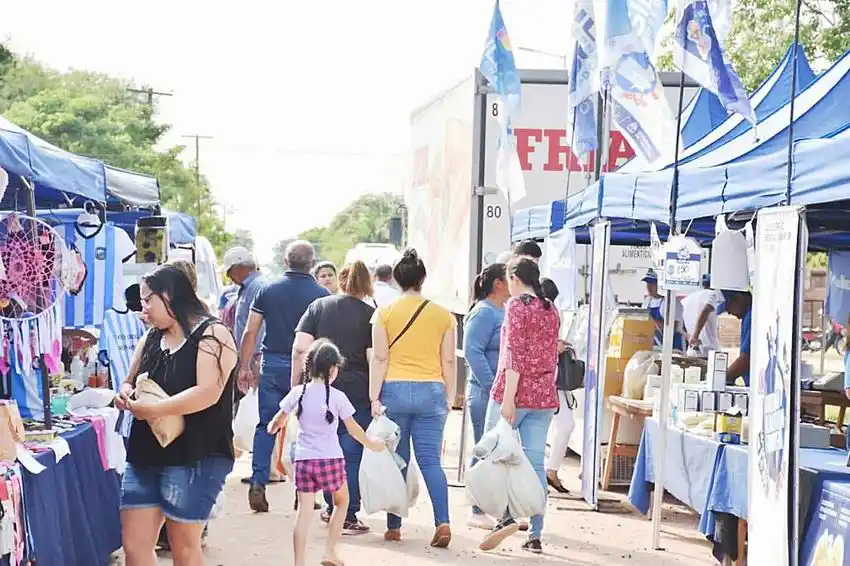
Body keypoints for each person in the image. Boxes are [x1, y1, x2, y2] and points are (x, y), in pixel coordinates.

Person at [115, 265, 236, 566]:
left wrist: (153, 409)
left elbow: (208, 392)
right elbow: (130, 379)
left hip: (197, 454)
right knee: (134, 545)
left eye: (147, 300)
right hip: (145, 452)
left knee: (183, 547)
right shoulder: (152, 337)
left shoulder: (213, 334)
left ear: (169, 295)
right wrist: (126, 392)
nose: (143, 309)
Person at [268, 340, 383, 566]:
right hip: (330, 459)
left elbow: (276, 422)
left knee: (304, 513)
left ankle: (299, 562)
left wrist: (273, 427)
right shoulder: (338, 397)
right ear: (333, 368)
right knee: (342, 502)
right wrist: (371, 444)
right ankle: (329, 552)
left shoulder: (297, 393)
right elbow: (353, 429)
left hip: (303, 460)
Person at [369, 248, 455, 547]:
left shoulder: (384, 313)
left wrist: (373, 397)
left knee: (397, 459)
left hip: (394, 390)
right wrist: (450, 393)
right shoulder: (442, 314)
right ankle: (442, 522)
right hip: (431, 390)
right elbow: (449, 361)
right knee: (431, 461)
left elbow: (379, 358)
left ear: (395, 279)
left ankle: (394, 527)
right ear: (423, 279)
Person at [479, 257, 560, 556]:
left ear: (514, 278)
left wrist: (509, 398)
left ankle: (505, 518)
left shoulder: (516, 307)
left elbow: (513, 354)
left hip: (514, 392)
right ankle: (536, 534)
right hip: (543, 396)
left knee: (495, 454)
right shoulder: (551, 309)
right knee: (536, 463)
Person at [240, 240, 329, 512]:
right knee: (309, 428)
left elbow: (251, 331)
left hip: (273, 365)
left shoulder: (268, 290)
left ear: (286, 262)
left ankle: (258, 482)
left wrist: (245, 366)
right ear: (312, 265)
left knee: (267, 423)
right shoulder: (321, 294)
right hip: (308, 366)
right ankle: (304, 492)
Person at [291, 260, 375, 535]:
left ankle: (330, 506)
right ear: (366, 284)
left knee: (321, 445)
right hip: (357, 389)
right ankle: (347, 513)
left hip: (319, 386)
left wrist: (297, 386)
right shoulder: (370, 315)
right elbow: (373, 358)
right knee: (350, 451)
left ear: (340, 279)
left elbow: (300, 348)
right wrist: (375, 394)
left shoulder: (318, 307)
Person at [462, 263, 509, 529]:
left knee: (495, 448)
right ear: (498, 284)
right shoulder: (483, 313)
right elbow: (473, 352)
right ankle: (477, 509)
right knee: (484, 446)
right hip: (484, 394)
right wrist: (494, 386)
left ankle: (494, 507)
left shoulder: (501, 311)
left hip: (497, 392)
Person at [540, 278, 575, 495]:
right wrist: (555, 349)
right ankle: (545, 473)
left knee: (565, 424)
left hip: (554, 380)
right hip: (540, 380)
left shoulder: (551, 312)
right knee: (549, 427)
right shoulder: (533, 312)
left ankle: (551, 471)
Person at [221, 247, 266, 394]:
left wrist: (251, 362)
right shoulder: (248, 287)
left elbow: (258, 328)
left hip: (255, 359)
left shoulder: (257, 287)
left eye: (229, 272)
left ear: (240, 268)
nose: (228, 276)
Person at [641, 269, 687, 351]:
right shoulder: (647, 302)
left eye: (652, 283)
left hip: (674, 347)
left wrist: (652, 322)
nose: (649, 286)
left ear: (660, 285)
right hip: (654, 347)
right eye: (647, 283)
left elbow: (674, 327)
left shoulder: (672, 302)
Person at [683, 275, 725, 356]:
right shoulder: (712, 294)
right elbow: (705, 311)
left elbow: (678, 321)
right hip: (709, 350)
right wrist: (695, 336)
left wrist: (688, 337)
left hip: (692, 350)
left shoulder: (688, 298)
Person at [720, 290, 752, 386]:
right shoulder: (747, 316)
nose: (729, 312)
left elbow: (745, 359)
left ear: (739, 298)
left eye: (728, 306)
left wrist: (723, 378)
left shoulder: (751, 317)